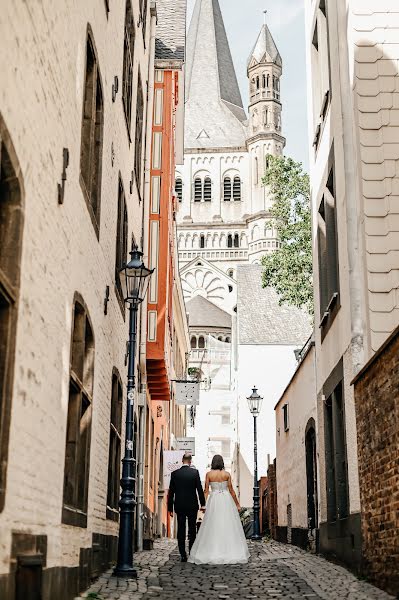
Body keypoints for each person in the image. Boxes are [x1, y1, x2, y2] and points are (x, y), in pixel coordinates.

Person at [188, 454, 250, 565]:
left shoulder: (209, 474)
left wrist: (203, 505)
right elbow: (231, 491)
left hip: (214, 500)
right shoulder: (227, 474)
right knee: (227, 524)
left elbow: (206, 491)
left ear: (213, 463)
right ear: (222, 463)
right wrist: (237, 504)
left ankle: (212, 550)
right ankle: (229, 550)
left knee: (212, 524)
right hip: (226, 501)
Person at [167, 452, 206, 562]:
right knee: (192, 529)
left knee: (181, 529)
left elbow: (171, 492)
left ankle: (183, 554)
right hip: (192, 505)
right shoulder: (194, 473)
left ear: (182, 461)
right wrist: (203, 504)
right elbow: (199, 489)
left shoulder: (175, 474)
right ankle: (191, 552)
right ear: (190, 462)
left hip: (179, 505)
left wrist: (170, 508)